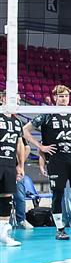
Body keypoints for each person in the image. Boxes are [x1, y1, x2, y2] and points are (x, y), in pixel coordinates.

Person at [23, 85, 71, 240]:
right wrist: (40, 146)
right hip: (56, 160)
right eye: (61, 96)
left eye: (66, 96)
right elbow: (25, 130)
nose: (64, 99)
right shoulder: (47, 114)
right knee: (58, 194)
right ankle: (60, 229)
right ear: (55, 97)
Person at [0, 91, 28, 247]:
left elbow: (20, 144)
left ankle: (3, 234)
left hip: (9, 164)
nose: (16, 103)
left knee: (6, 196)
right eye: (14, 99)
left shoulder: (17, 122)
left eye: (18, 100)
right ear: (3, 99)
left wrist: (21, 165)